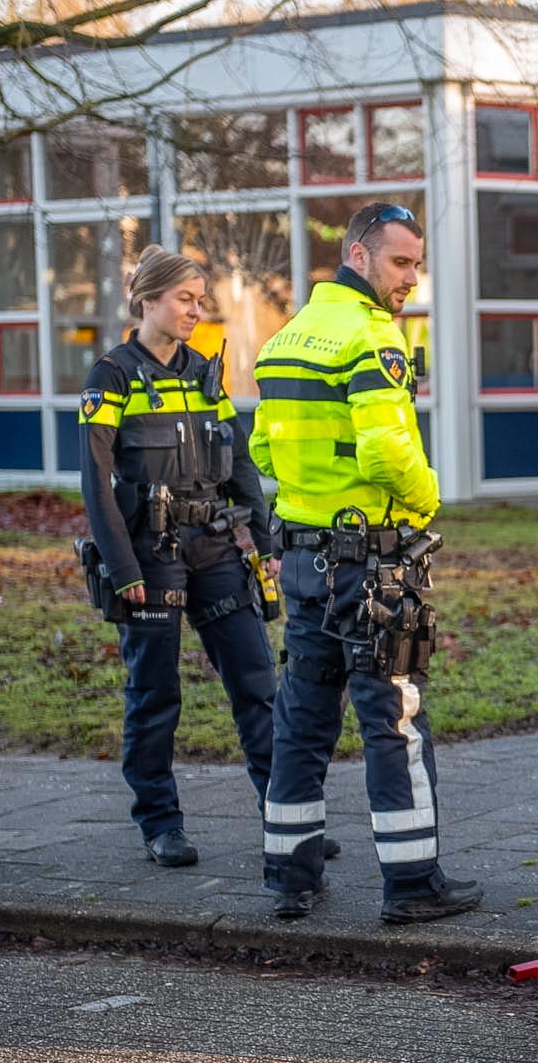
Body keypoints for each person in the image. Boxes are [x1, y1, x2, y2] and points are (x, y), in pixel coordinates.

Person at [249, 202, 481, 926]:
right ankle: (412, 883)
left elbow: (261, 451)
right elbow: (385, 451)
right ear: (358, 256)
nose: (411, 278)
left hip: (303, 555)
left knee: (303, 712)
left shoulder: (286, 339)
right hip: (373, 561)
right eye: (400, 262)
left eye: (416, 263)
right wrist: (427, 498)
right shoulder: (370, 337)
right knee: (395, 712)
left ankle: (291, 876)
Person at [78, 245, 279, 868]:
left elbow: (239, 461)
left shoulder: (203, 371)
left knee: (257, 682)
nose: (197, 310)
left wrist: (266, 543)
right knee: (155, 692)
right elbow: (96, 480)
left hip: (216, 547)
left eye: (201, 300)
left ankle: (286, 816)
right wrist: (122, 567)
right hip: (150, 556)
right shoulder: (111, 375)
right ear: (148, 301)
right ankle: (160, 824)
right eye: (185, 299)